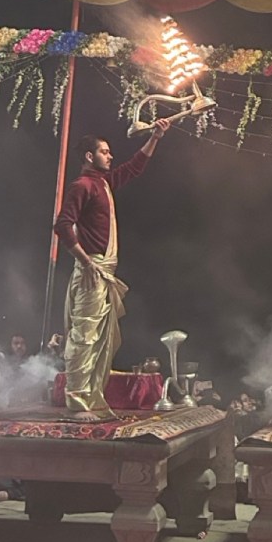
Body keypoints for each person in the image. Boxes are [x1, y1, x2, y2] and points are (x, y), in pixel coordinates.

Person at [54, 121, 170, 420]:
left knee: (99, 341)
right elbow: (63, 225)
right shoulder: (82, 185)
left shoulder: (102, 183)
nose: (110, 156)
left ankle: (92, 399)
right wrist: (86, 261)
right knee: (84, 338)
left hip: (102, 271)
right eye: (104, 152)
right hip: (92, 271)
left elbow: (133, 168)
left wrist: (156, 137)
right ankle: (77, 403)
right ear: (89, 156)